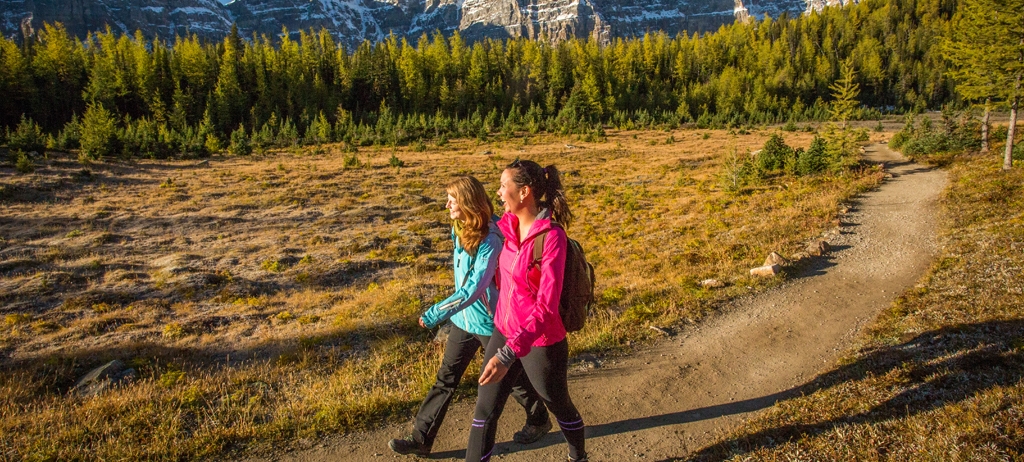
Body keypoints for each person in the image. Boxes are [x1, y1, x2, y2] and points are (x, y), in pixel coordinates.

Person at [389, 176, 551, 457]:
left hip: (490, 324)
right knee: (446, 379)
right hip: (463, 321)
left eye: (452, 200)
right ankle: (421, 438)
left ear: (467, 202)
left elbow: (473, 288)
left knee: (505, 380)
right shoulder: (459, 227)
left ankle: (538, 419)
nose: (447, 205)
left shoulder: (491, 238)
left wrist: (434, 313)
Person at [466, 160, 587, 462]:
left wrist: (508, 355)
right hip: (505, 331)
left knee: (558, 404)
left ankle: (578, 456)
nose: (498, 192)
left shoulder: (551, 238)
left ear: (524, 192)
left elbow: (546, 308)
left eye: (503, 186)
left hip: (541, 342)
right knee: (485, 409)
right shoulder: (506, 229)